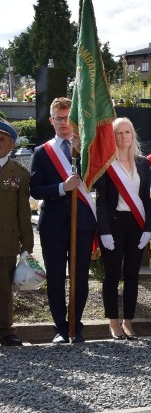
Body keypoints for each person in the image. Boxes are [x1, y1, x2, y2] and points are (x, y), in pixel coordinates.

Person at [30, 97, 96, 344]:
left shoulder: (86, 148)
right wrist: (61, 187)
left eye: (68, 117)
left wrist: (84, 155)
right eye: (58, 118)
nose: (63, 123)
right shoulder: (42, 152)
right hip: (53, 226)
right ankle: (60, 328)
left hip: (82, 224)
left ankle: (75, 327)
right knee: (56, 277)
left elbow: (97, 181)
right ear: (51, 120)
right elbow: (36, 189)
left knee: (79, 277)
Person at [95, 118, 151, 340]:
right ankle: (113, 322)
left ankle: (128, 321)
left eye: (126, 132)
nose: (123, 137)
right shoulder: (107, 164)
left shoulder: (143, 164)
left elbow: (149, 199)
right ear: (113, 137)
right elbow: (100, 201)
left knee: (132, 275)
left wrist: (149, 227)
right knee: (111, 275)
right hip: (114, 224)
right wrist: (104, 230)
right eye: (118, 133)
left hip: (136, 225)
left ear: (132, 135)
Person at [0, 119, 34, 346]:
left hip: (6, 240)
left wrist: (27, 247)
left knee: (4, 289)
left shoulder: (18, 173)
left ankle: (5, 331)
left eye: (2, 140)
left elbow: (24, 213)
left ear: (11, 144)